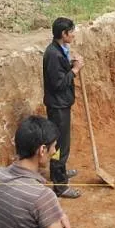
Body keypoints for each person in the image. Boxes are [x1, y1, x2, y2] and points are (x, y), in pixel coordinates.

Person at [43, 17, 84, 198]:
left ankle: (58, 173)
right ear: (63, 34)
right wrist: (75, 70)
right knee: (60, 145)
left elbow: (61, 70)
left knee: (60, 144)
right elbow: (58, 83)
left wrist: (72, 63)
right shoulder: (53, 55)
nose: (73, 35)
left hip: (60, 104)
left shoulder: (58, 50)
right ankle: (60, 186)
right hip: (58, 106)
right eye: (71, 32)